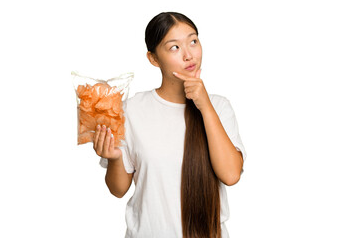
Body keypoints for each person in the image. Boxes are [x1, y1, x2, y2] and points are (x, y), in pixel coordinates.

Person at [94, 12, 247, 238]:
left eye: (193, 41)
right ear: (153, 59)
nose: (188, 55)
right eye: (174, 47)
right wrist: (115, 157)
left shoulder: (219, 107)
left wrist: (204, 105)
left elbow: (231, 175)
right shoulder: (131, 110)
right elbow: (118, 189)